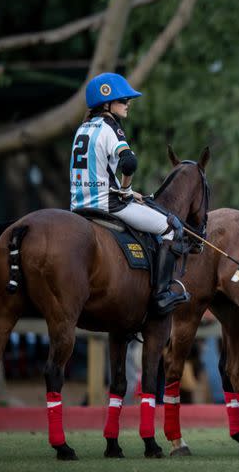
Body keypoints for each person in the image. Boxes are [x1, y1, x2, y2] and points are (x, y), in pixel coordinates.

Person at [70, 72, 187, 315]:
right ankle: (161, 295)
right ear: (106, 103)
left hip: (78, 207)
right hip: (108, 206)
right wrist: (125, 190)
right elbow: (129, 163)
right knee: (171, 227)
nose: (128, 103)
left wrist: (130, 192)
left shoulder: (82, 129)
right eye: (123, 100)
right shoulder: (111, 127)